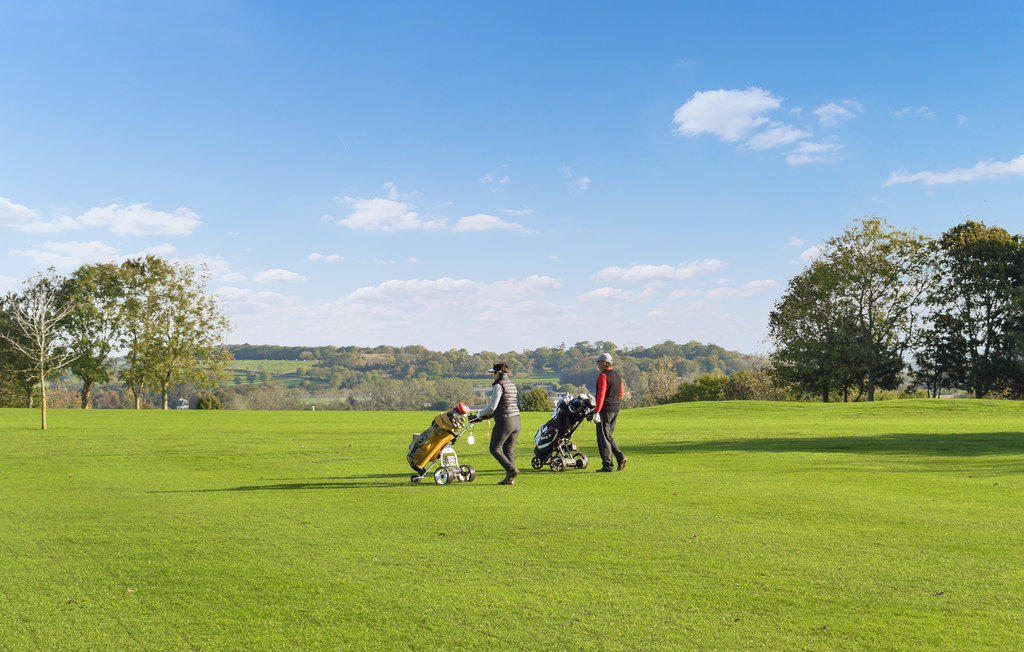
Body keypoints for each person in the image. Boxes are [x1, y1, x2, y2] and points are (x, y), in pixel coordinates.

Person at [473, 362, 521, 485]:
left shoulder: (499, 385)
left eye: (493, 373)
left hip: (505, 421)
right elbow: (503, 405)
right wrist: (483, 417)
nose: (492, 376)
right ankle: (510, 479)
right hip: (517, 420)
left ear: (498, 373)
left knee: (494, 449)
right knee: (508, 450)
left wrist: (478, 414)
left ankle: (511, 470)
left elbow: (492, 406)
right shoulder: (512, 384)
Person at [593, 352, 627, 472]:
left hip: (604, 410)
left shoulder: (603, 376)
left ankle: (608, 465)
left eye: (598, 362)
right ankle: (619, 457)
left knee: (603, 438)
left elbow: (601, 395)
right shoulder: (617, 375)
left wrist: (597, 411)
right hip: (615, 409)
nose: (597, 365)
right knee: (608, 436)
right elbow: (621, 393)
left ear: (605, 363)